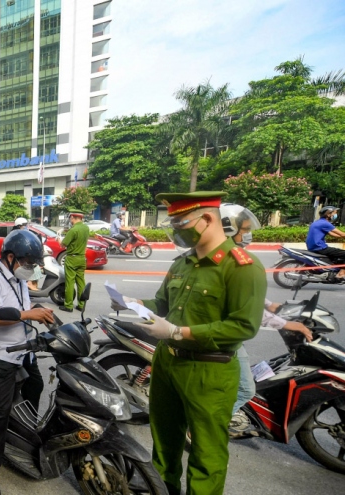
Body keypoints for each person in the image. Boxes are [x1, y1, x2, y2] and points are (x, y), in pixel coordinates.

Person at [113, 191, 266, 495]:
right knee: (164, 441)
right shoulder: (182, 263)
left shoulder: (241, 267)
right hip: (168, 364)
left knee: (206, 452)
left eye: (180, 222)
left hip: (209, 371)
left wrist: (178, 333)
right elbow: (162, 303)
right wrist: (132, 303)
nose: (175, 230)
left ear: (207, 219)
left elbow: (243, 326)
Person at [0, 229, 56, 495]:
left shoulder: (18, 277)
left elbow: (24, 304)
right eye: (28, 263)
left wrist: (38, 312)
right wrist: (28, 314)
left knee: (36, 385)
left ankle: (22, 435)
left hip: (22, 348)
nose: (31, 268)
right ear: (10, 257)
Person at [219, 204, 314, 437]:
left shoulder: (227, 257)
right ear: (229, 229)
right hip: (226, 339)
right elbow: (247, 310)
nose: (249, 233)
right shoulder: (232, 259)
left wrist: (270, 304)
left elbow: (246, 293)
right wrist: (287, 324)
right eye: (246, 229)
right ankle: (207, 429)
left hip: (225, 336)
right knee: (245, 389)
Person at [59, 208, 88, 313]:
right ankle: (81, 305)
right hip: (82, 258)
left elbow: (63, 244)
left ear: (73, 217)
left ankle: (69, 305)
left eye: (70, 218)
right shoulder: (86, 228)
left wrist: (59, 239)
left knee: (70, 282)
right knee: (81, 282)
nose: (70, 220)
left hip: (72, 258)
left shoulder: (74, 230)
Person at [306, 205, 345, 279]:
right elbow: (342, 234)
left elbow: (332, 234)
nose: (336, 215)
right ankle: (341, 273)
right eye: (334, 213)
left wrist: (342, 237)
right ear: (328, 214)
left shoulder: (318, 222)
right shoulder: (325, 223)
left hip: (313, 247)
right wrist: (343, 236)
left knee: (336, 255)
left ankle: (333, 270)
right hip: (319, 247)